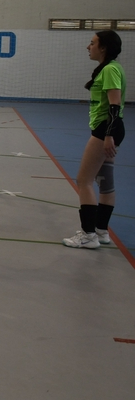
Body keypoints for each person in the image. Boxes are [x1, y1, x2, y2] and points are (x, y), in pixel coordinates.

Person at [63, 30, 126, 249]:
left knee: (84, 180)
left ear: (104, 47)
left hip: (105, 130)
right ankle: (101, 230)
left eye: (92, 43)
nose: (88, 47)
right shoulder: (111, 68)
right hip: (110, 129)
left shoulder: (110, 69)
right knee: (105, 182)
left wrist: (107, 135)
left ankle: (88, 235)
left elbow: (114, 104)